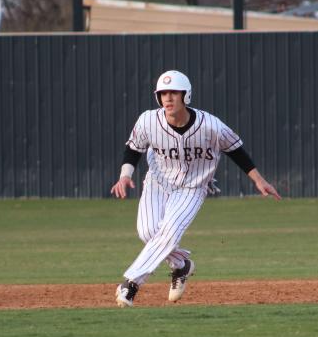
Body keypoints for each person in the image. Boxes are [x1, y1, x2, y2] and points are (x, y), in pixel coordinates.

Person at [111, 70, 281, 308]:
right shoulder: (148, 120)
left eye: (174, 93)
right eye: (163, 93)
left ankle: (131, 284)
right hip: (158, 183)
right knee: (148, 232)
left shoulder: (210, 125)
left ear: (185, 95)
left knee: (168, 234)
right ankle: (182, 266)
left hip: (193, 187)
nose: (168, 98)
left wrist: (258, 179)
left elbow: (236, 150)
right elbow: (134, 148)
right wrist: (124, 176)